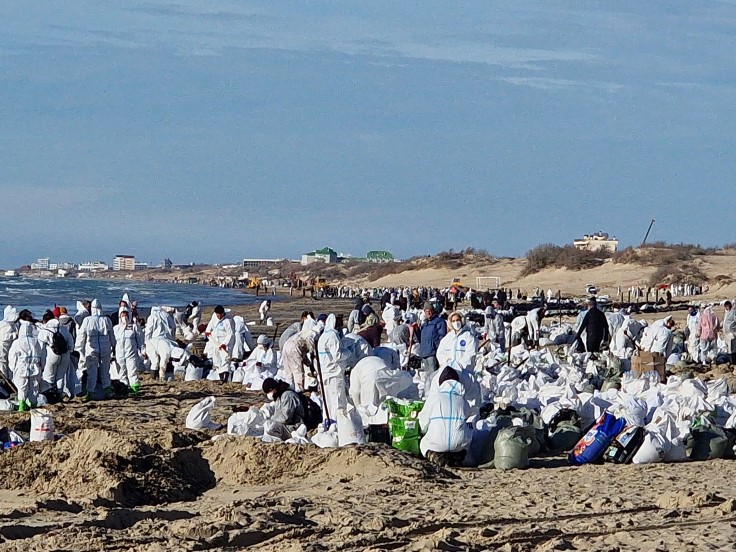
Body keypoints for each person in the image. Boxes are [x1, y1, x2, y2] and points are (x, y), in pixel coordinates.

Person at [418, 367, 472, 466]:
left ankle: (435, 457)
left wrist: (424, 432)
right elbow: (469, 416)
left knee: (423, 443)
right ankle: (458, 457)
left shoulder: (434, 398)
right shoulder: (463, 401)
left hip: (437, 444)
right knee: (467, 432)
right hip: (459, 444)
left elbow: (423, 422)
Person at [75, 299, 115, 401]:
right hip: (105, 348)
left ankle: (90, 391)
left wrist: (78, 349)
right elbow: (112, 336)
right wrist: (114, 346)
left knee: (91, 372)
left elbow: (81, 336)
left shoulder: (87, 320)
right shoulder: (106, 320)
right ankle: (107, 389)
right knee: (105, 370)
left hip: (91, 349)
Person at [317, 314, 351, 423]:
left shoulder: (323, 336)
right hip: (334, 374)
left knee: (327, 402)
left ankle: (327, 421)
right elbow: (338, 356)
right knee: (337, 401)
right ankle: (338, 424)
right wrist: (348, 352)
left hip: (325, 373)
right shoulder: (332, 336)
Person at [349, 355, 417, 410]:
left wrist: (357, 409)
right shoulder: (361, 364)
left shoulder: (354, 371)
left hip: (369, 376)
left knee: (368, 407)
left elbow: (355, 392)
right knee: (384, 397)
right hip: (382, 368)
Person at [8, 316, 43, 411]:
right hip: (34, 365)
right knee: (34, 386)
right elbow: (42, 354)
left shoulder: (17, 342)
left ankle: (22, 405)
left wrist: (13, 367)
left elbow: (12, 356)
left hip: (22, 366)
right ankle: (33, 404)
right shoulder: (36, 341)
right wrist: (42, 365)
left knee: (22, 387)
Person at [38, 310, 75, 398]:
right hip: (65, 354)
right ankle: (59, 394)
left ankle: (49, 394)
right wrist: (69, 351)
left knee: (49, 376)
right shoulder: (63, 329)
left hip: (51, 355)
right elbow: (71, 343)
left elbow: (40, 347)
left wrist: (40, 360)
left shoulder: (45, 331)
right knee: (60, 376)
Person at [113, 308, 144, 395]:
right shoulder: (116, 328)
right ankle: (124, 387)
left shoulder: (134, 327)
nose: (124, 316)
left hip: (131, 353)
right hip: (119, 353)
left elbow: (140, 340)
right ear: (119, 316)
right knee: (121, 371)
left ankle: (135, 388)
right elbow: (112, 341)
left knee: (132, 370)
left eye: (126, 314)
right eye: (122, 315)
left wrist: (143, 350)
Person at [418, 302, 447, 385]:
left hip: (432, 352)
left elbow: (442, 337)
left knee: (433, 374)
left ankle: (434, 390)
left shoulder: (439, 322)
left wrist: (436, 347)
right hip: (424, 352)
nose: (428, 313)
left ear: (433, 311)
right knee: (427, 375)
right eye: (426, 311)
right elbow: (421, 338)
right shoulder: (425, 324)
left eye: (430, 311)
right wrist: (416, 330)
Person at [205, 305, 236, 380]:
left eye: (220, 315)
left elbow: (230, 334)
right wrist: (208, 331)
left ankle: (226, 378)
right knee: (217, 358)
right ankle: (220, 378)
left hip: (226, 341)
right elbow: (211, 324)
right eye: (217, 315)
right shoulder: (214, 316)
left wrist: (224, 344)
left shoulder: (229, 320)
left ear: (223, 313)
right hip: (216, 341)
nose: (219, 316)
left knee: (225, 359)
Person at [0, 306, 19, 381]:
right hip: (3, 348)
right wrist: (15, 335)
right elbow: (4, 337)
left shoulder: (11, 324)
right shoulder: (5, 325)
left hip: (8, 348)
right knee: (3, 365)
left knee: (8, 364)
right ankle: (5, 381)